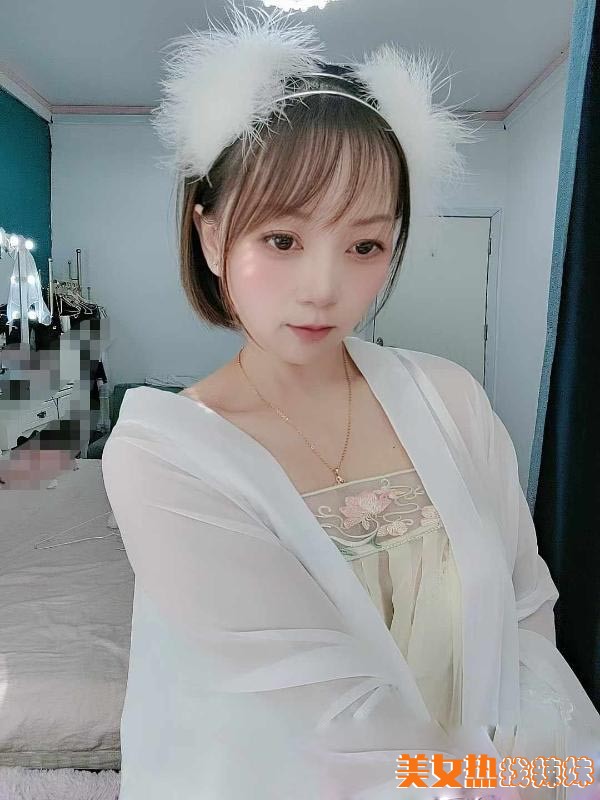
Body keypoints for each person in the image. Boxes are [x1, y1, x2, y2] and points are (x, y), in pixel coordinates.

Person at [101, 4, 600, 798]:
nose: (324, 288)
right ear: (210, 235)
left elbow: (525, 605)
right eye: (282, 240)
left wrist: (539, 758)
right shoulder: (164, 454)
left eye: (365, 245)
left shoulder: (450, 399)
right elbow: (328, 719)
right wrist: (483, 784)